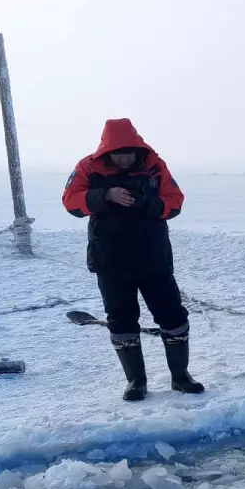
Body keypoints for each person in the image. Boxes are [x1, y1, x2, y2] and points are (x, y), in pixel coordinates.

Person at [62, 118, 204, 401]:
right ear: (106, 151)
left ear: (137, 148)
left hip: (153, 258)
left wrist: (146, 203)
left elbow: (175, 201)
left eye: (128, 152)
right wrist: (104, 195)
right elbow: (70, 201)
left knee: (173, 316)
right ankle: (136, 381)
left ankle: (181, 376)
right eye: (118, 153)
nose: (124, 158)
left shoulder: (154, 166)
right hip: (110, 261)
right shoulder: (88, 167)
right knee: (121, 320)